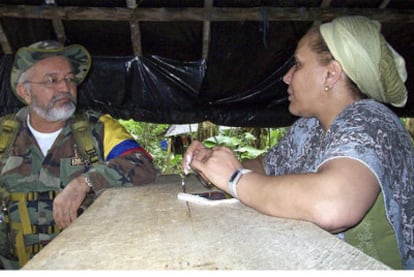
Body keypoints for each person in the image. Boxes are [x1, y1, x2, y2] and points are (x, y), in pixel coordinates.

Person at [183, 16, 414, 269]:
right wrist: (214, 165)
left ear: (331, 74)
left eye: (298, 64)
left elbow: (334, 206)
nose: (286, 77)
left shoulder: (372, 120)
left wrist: (236, 179)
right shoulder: (310, 127)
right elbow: (266, 166)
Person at [0, 40, 157, 269]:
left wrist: (84, 182)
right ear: (25, 92)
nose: (65, 88)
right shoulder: (4, 136)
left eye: (70, 79)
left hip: (85, 263)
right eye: (52, 80)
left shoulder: (99, 128)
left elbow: (142, 164)